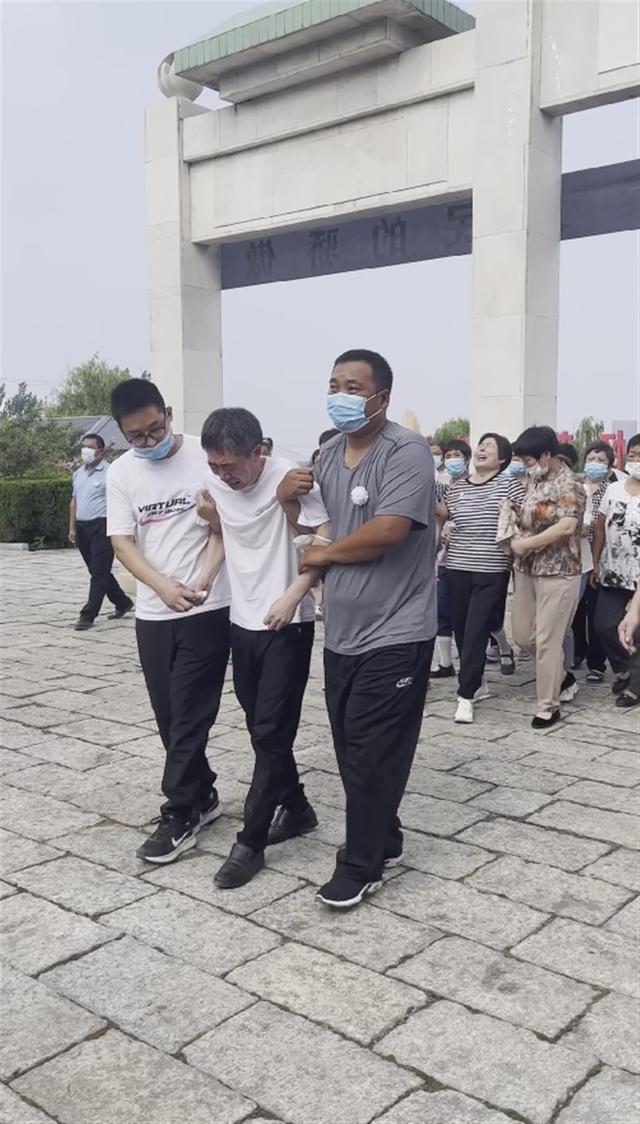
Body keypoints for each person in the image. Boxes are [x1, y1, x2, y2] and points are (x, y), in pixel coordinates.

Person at [278, 349, 436, 909]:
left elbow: (389, 530)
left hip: (398, 628)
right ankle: (385, 833)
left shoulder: (406, 451)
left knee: (371, 750)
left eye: (353, 386)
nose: (340, 395)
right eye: (333, 384)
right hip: (342, 629)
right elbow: (314, 523)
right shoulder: (325, 455)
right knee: (350, 746)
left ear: (381, 398)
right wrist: (286, 502)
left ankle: (361, 864)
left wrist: (323, 556)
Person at [198, 408, 328, 889]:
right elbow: (224, 534)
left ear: (259, 452)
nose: (222, 474)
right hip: (242, 619)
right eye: (214, 466)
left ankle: (249, 842)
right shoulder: (219, 483)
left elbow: (323, 544)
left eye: (229, 465)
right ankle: (296, 808)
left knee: (272, 732)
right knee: (259, 726)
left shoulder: (292, 479)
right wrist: (206, 576)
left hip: (286, 623)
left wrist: (294, 596)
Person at [107, 379, 231, 863]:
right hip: (155, 611)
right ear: (122, 432)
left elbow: (226, 524)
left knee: (191, 710)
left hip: (208, 603)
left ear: (170, 414)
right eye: (135, 436)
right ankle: (203, 794)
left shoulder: (207, 455)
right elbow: (123, 542)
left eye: (154, 430)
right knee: (168, 716)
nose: (147, 442)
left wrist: (201, 579)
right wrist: (159, 586)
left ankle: (178, 812)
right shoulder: (122, 473)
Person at [438, 433, 521, 724]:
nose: (482, 449)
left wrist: (513, 515)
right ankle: (478, 681)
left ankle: (465, 694)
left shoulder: (509, 483)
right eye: (481, 445)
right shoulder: (457, 487)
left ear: (502, 458)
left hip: (492, 570)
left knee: (475, 631)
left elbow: (525, 519)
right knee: (461, 630)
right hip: (457, 568)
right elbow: (443, 515)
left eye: (490, 447)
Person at [510, 426, 585, 728]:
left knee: (548, 639)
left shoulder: (569, 483)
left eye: (528, 460)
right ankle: (563, 677)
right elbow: (532, 517)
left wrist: (525, 543)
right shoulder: (535, 480)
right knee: (523, 635)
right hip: (528, 568)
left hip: (559, 570)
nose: (525, 465)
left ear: (547, 454)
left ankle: (548, 706)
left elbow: (567, 526)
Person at [592, 434, 640, 709]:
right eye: (632, 455)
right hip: (613, 570)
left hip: (638, 576)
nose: (636, 461)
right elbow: (600, 527)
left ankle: (635, 687)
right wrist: (596, 562)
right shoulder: (615, 489)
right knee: (604, 625)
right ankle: (625, 668)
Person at [69, 433, 133, 631]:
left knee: (98, 572)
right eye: (84, 447)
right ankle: (122, 602)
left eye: (90, 447)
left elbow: (122, 501)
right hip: (82, 527)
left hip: (102, 526)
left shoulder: (110, 472)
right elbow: (74, 501)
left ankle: (88, 615)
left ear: (101, 451)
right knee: (98, 570)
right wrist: (71, 527)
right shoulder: (78, 473)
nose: (85, 451)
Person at [570, 441, 616, 681]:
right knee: (574, 611)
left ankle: (597, 662)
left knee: (596, 612)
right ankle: (577, 652)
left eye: (601, 460)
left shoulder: (612, 490)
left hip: (599, 559)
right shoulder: (575, 486)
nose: (594, 464)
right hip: (574, 558)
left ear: (609, 468)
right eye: (591, 459)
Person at [430, 440, 472, 677]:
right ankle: (446, 663)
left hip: (469, 557)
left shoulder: (474, 484)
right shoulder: (440, 485)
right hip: (444, 556)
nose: (451, 459)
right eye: (448, 455)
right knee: (442, 609)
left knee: (466, 615)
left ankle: (499, 650)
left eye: (457, 455)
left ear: (467, 458)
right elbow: (438, 516)